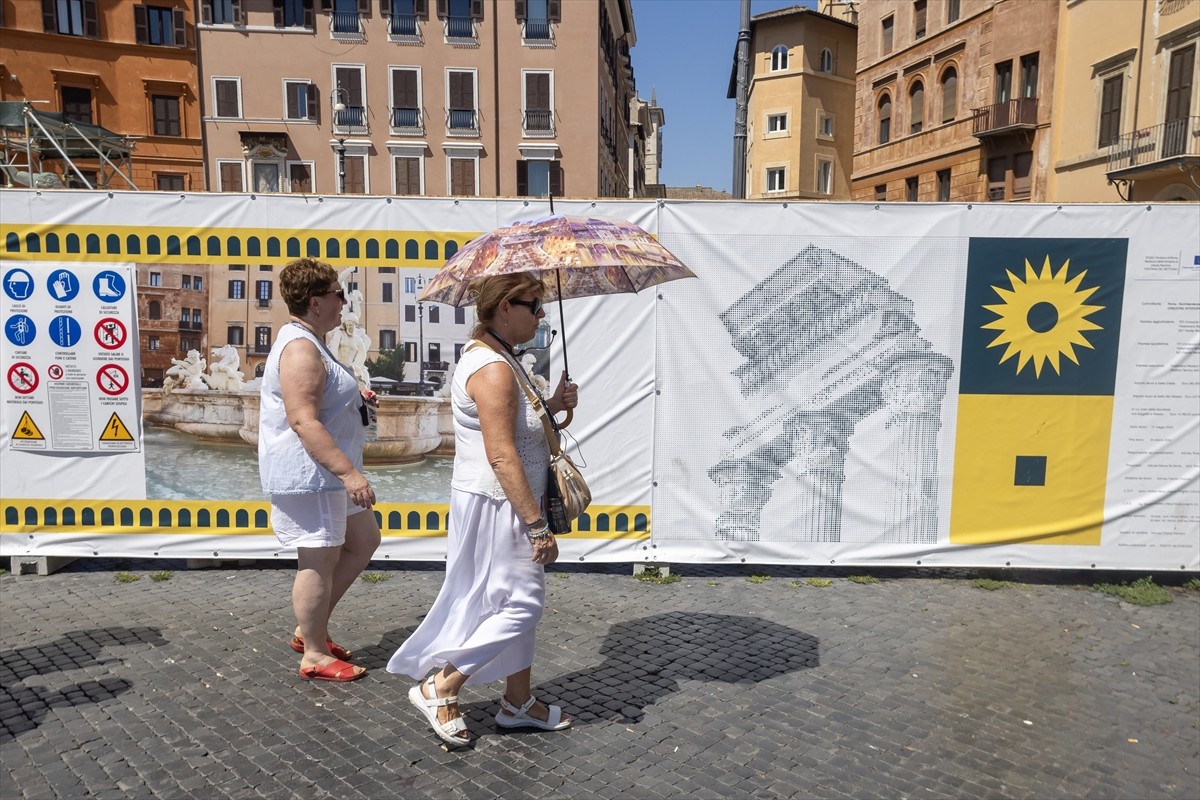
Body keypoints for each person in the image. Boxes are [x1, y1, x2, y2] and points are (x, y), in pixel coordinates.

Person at [387, 273, 579, 747]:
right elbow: (501, 453)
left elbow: (519, 429)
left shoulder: (501, 359)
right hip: (501, 502)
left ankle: (517, 702)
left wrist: (553, 405)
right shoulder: (492, 367)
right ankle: (442, 685)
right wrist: (536, 525)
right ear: (504, 308)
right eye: (534, 306)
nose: (540, 316)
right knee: (523, 603)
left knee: (509, 600)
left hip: (497, 498)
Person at [258, 257, 381, 682]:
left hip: (326, 474)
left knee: (364, 539)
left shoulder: (313, 340)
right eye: (337, 294)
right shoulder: (300, 348)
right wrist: (349, 474)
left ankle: (310, 628)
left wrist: (356, 398)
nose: (343, 302)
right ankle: (312, 652)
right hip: (314, 476)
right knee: (318, 558)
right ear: (315, 302)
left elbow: (322, 399)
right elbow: (303, 420)